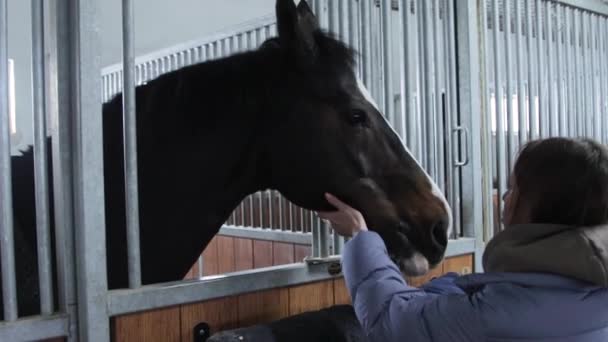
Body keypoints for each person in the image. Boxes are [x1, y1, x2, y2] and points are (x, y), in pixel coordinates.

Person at [318, 137, 608, 341]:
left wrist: (361, 237)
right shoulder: (591, 285)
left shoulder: (495, 315)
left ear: (543, 205)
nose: (506, 199)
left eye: (514, 189)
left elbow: (391, 322)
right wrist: (456, 286)